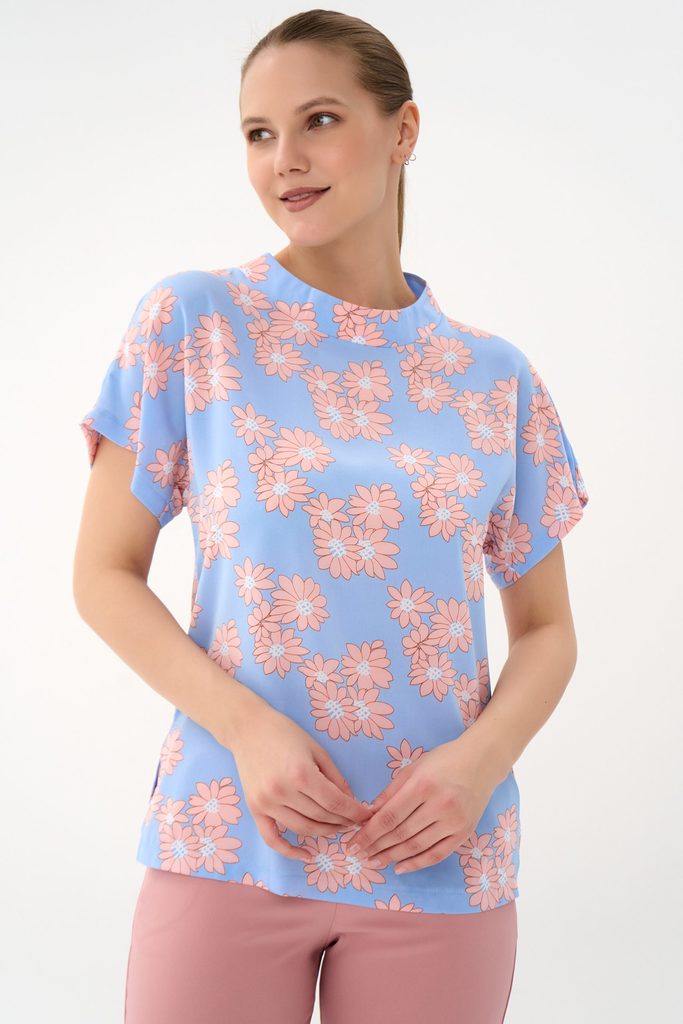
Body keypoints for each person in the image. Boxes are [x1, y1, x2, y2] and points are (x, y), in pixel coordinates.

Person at [73, 9, 589, 1024]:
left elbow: (547, 630)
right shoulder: (194, 321)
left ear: (402, 131)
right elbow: (102, 576)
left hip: (437, 854)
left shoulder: (495, 378)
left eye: (317, 120)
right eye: (257, 133)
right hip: (229, 833)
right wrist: (247, 730)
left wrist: (477, 765)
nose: (284, 161)